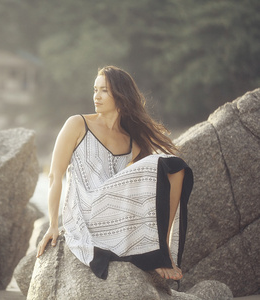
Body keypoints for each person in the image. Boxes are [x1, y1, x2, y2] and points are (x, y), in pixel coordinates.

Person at [36, 65, 193, 281]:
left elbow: (142, 187)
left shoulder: (132, 141)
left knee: (176, 168)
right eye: (95, 89)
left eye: (104, 91)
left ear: (121, 96)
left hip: (113, 213)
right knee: (162, 163)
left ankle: (162, 250)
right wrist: (53, 224)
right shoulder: (77, 124)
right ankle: (158, 255)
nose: (96, 96)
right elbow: (55, 176)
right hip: (86, 209)